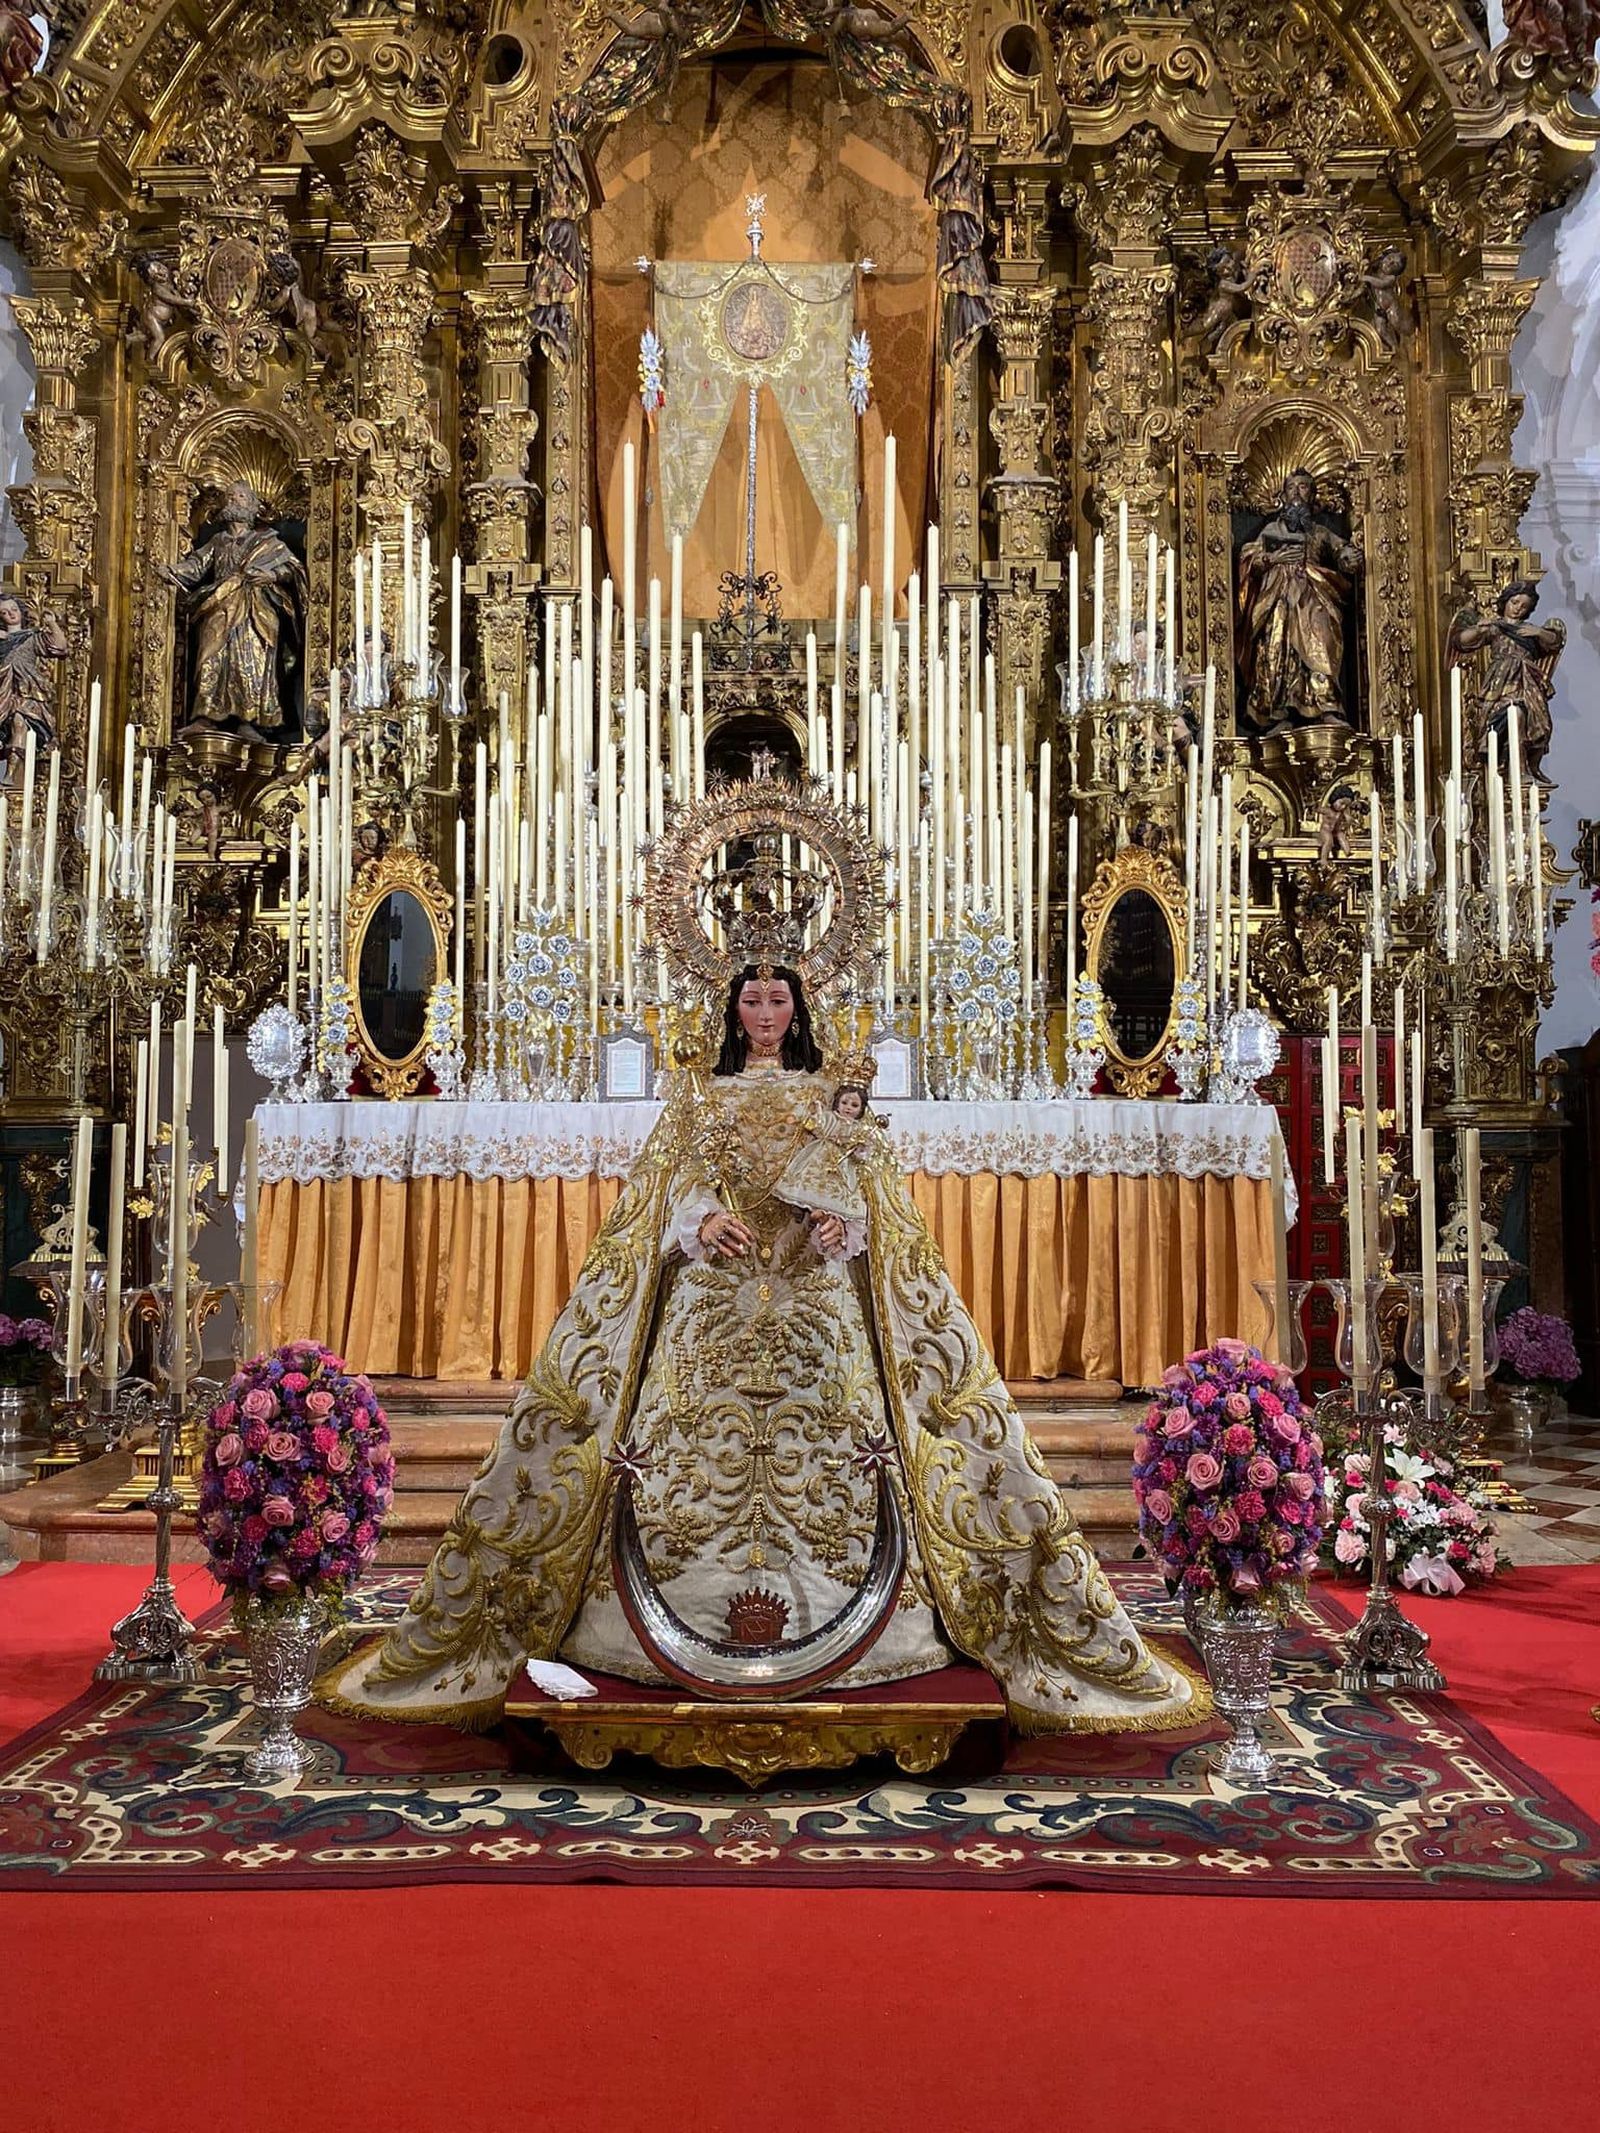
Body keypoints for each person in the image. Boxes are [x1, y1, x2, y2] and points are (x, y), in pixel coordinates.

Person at [322, 964, 1200, 1735]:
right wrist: (700, 1217)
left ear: (798, 1006)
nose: (767, 1012)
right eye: (753, 997)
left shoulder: (834, 1093)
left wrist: (841, 1221)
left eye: (780, 997)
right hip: (715, 1300)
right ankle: (654, 1615)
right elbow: (670, 1183)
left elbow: (868, 1190)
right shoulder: (701, 1094)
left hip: (815, 1303)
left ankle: (870, 1616)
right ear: (733, 1006)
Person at [160, 480, 308, 738]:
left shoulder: (268, 541)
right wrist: (172, 570)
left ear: (252, 506)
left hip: (255, 610)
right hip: (219, 606)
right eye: (229, 496)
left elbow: (293, 569)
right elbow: (196, 565)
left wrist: (271, 575)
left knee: (250, 660)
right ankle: (206, 717)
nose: (233, 500)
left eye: (239, 496)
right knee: (210, 655)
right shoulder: (218, 541)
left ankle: (249, 720)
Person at [1237, 469, 1363, 729]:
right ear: (1283, 496)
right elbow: (1250, 560)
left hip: (1314, 597)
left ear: (1312, 496)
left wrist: (1348, 557)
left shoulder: (1319, 533)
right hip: (1278, 599)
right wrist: (1273, 559)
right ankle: (1274, 710)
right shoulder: (1272, 529)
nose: (1297, 492)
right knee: (1276, 645)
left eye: (1303, 487)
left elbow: (1341, 550)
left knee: (1322, 641)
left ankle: (1326, 706)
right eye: (1292, 487)